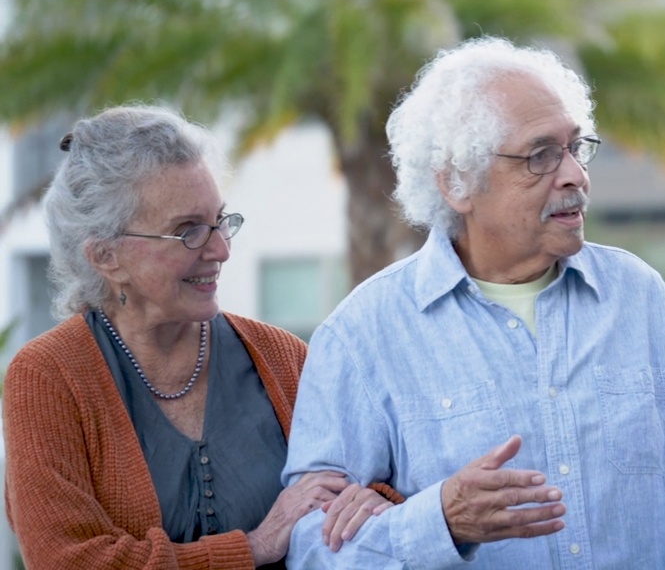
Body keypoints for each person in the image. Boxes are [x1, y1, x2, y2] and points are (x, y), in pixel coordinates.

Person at [281, 36, 665, 568]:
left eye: (575, 147)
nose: (575, 176)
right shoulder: (364, 334)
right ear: (457, 182)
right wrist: (441, 524)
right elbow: (312, 545)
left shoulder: (641, 298)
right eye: (540, 156)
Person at [3, 105, 397, 569]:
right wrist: (254, 546)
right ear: (106, 256)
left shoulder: (283, 357)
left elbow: (377, 480)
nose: (221, 249)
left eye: (220, 221)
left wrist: (368, 500)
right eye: (187, 231)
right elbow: (69, 561)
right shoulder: (47, 378)